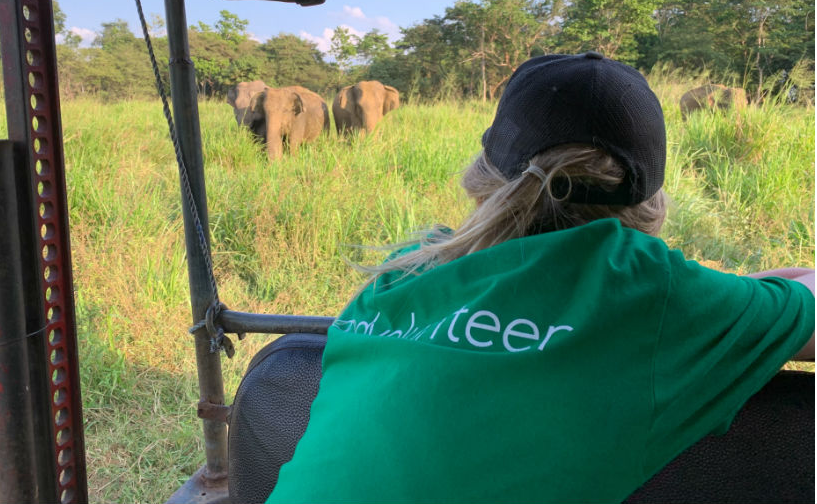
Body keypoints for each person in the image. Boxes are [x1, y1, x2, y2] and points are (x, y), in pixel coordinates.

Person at [265, 52, 815, 504]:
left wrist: (733, 299)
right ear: (648, 202)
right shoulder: (650, 292)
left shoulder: (402, 269)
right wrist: (740, 299)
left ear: (483, 176)